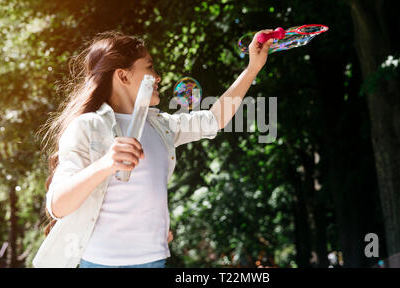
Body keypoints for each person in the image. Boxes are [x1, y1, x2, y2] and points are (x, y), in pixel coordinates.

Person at [32, 30, 274, 268]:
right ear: (123, 76)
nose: (158, 77)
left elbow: (214, 119)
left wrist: (252, 67)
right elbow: (57, 205)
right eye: (149, 67)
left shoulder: (161, 127)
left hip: (153, 260)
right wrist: (105, 164)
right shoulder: (87, 126)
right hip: (102, 263)